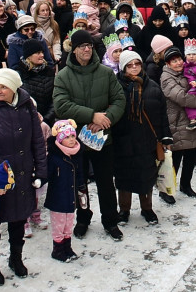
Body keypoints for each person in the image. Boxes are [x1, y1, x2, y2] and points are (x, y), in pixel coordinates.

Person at [0, 68, 48, 284]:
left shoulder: (26, 106)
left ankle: (16, 258)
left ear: (14, 88)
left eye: (3, 86)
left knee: (18, 219)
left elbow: (37, 142)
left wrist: (41, 169)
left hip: (22, 173)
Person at [51, 28, 126, 240]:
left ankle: (110, 220)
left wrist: (105, 119)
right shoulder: (63, 76)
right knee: (80, 182)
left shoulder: (105, 73)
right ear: (73, 50)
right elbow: (61, 105)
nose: (86, 49)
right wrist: (92, 115)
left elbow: (120, 100)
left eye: (89, 45)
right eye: (82, 46)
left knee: (105, 181)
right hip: (75, 139)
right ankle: (83, 218)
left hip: (103, 137)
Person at [113, 49, 171, 225]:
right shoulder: (115, 87)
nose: (134, 68)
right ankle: (124, 210)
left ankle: (147, 208)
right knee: (124, 177)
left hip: (147, 140)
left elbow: (162, 114)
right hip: (124, 140)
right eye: (129, 65)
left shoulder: (152, 86)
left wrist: (166, 136)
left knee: (147, 176)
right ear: (123, 68)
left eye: (136, 64)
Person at [160, 47, 196, 197]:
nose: (179, 63)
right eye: (174, 61)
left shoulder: (189, 70)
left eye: (179, 59)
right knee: (175, 159)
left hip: (193, 120)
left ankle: (186, 185)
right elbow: (181, 97)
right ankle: (166, 190)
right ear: (168, 64)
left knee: (191, 156)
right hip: (177, 122)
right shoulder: (166, 78)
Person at [45, 119, 83, 263]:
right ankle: (58, 250)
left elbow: (79, 174)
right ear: (60, 140)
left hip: (71, 198)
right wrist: (38, 180)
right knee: (59, 225)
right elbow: (46, 174)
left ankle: (67, 247)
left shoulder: (76, 155)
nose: (71, 139)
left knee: (68, 224)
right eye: (67, 137)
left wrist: (81, 187)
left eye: (73, 136)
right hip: (58, 199)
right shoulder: (54, 157)